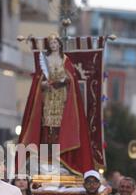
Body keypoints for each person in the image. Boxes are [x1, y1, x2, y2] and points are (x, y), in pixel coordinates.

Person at [18, 33, 94, 175]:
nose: (53, 45)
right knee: (47, 129)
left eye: (55, 43)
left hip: (61, 99)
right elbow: (38, 80)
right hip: (48, 98)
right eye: (51, 43)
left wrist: (64, 81)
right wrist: (43, 84)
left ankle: (59, 160)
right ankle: (45, 160)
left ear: (59, 44)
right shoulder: (45, 59)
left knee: (59, 129)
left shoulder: (65, 60)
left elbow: (71, 78)